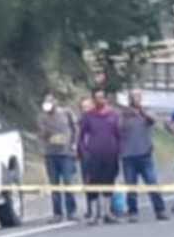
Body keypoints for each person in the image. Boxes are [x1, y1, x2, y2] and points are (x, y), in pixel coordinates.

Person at [119, 89, 169, 223]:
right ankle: (133, 212)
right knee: (131, 186)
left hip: (145, 154)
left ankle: (160, 210)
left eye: (138, 96)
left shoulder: (146, 113)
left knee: (152, 183)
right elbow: (117, 129)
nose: (136, 99)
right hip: (128, 156)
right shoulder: (123, 115)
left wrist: (141, 111)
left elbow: (153, 121)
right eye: (133, 97)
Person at [78, 89, 121, 225]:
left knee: (108, 182)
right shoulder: (88, 116)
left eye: (102, 97)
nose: (99, 100)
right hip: (93, 156)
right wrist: (83, 152)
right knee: (93, 183)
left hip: (110, 155)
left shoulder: (113, 115)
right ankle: (94, 214)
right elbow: (81, 136)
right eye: (97, 98)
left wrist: (119, 151)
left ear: (105, 99)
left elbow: (119, 134)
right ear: (93, 100)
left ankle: (107, 212)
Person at [38, 94, 79, 223]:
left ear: (55, 103)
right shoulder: (42, 117)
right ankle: (57, 213)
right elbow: (41, 134)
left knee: (68, 182)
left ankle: (71, 211)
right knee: (54, 184)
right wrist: (45, 136)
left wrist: (74, 144)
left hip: (65, 153)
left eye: (51, 103)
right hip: (51, 154)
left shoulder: (66, 113)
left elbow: (75, 129)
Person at [78, 97, 94, 219]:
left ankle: (105, 210)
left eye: (87, 107)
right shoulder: (81, 121)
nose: (85, 110)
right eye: (83, 107)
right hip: (85, 156)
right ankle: (90, 209)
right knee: (87, 183)